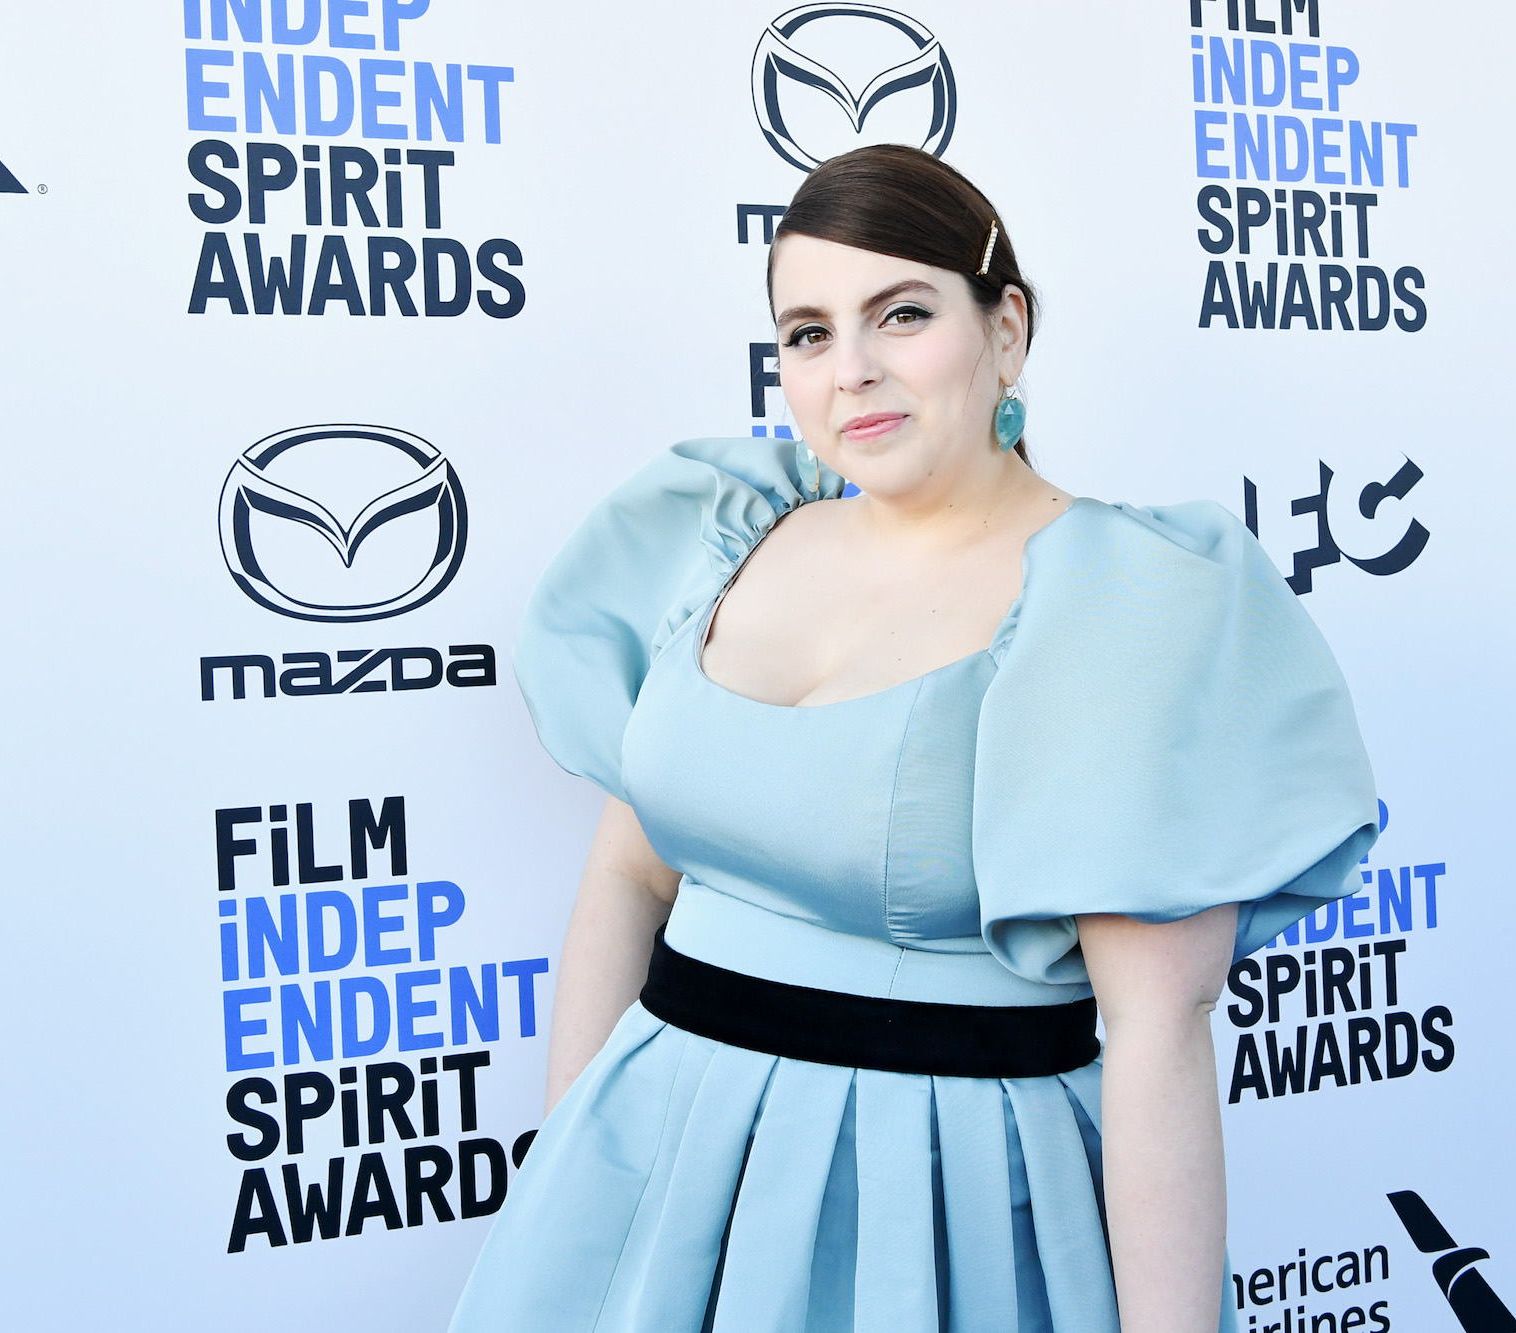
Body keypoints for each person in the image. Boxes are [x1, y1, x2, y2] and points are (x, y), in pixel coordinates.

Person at [450, 144, 1377, 1333]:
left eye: (901, 312)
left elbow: (1156, 1034)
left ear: (1005, 331)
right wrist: (569, 1177)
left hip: (934, 1215)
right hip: (648, 1179)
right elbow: (628, 872)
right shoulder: (732, 533)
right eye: (808, 333)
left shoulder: (1125, 600)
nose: (853, 370)